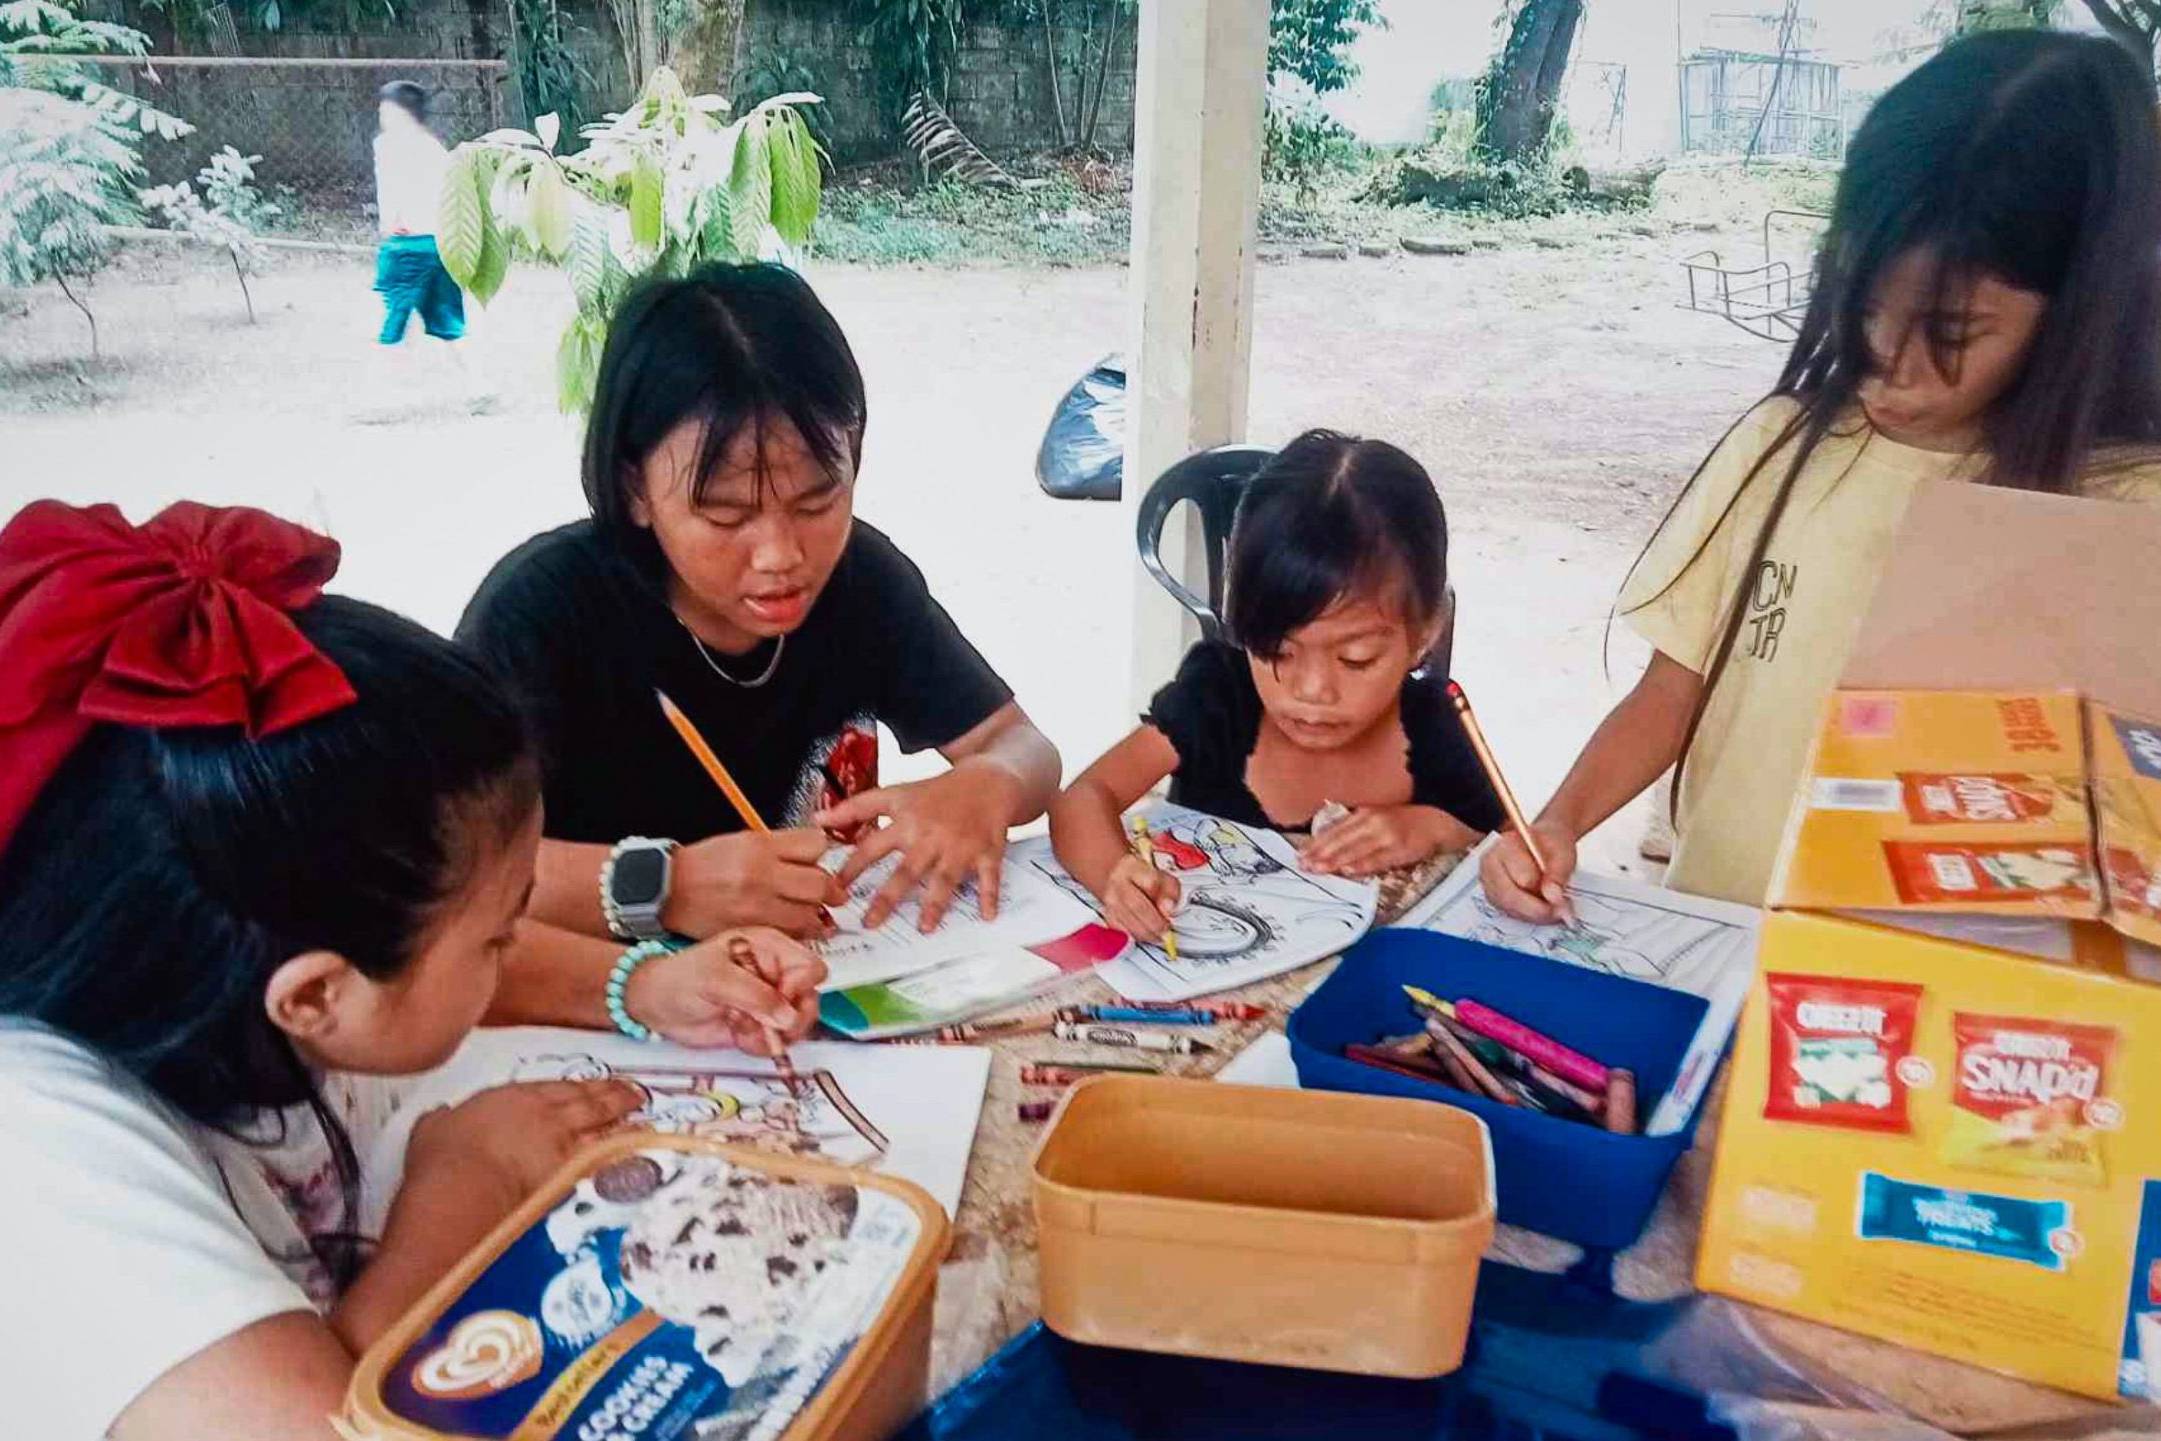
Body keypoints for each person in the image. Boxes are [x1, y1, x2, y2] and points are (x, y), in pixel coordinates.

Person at [0, 500, 822, 1436]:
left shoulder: (221, 959)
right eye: (499, 935)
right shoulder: (40, 1153)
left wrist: (644, 985)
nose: (514, 947)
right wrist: (467, 1177)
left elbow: (428, 965)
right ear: (312, 995)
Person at [1482, 30, 2161, 921]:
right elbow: (1670, 690)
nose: (1886, 360)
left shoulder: (2127, 519)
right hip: (1718, 939)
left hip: (1948, 1008)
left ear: (2081, 309)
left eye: (1951, 333)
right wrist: (1555, 824)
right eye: (1864, 301)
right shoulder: (1779, 444)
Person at [458, 263, 1061, 1020]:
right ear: (635, 489)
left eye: (818, 499)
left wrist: (987, 784)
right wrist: (667, 885)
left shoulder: (861, 580)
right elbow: (446, 878)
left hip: (814, 995)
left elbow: (1026, 748)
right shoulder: (541, 613)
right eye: (725, 514)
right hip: (603, 1006)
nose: (781, 555)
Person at [1050, 429, 1504, 941]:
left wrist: (1435, 828)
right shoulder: (1220, 697)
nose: (1311, 690)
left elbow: (1509, 846)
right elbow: (1085, 797)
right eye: (1276, 651)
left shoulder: (1437, 726)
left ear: (1424, 635)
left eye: (1356, 659)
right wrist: (1114, 874)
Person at [371, 80, 479, 394]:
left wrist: (393, 223)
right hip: (438, 245)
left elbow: (392, 197)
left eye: (386, 108)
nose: (381, 114)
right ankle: (479, 386)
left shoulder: (390, 146)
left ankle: (375, 396)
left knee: (393, 322)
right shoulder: (434, 147)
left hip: (409, 245)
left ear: (402, 113)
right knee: (448, 322)